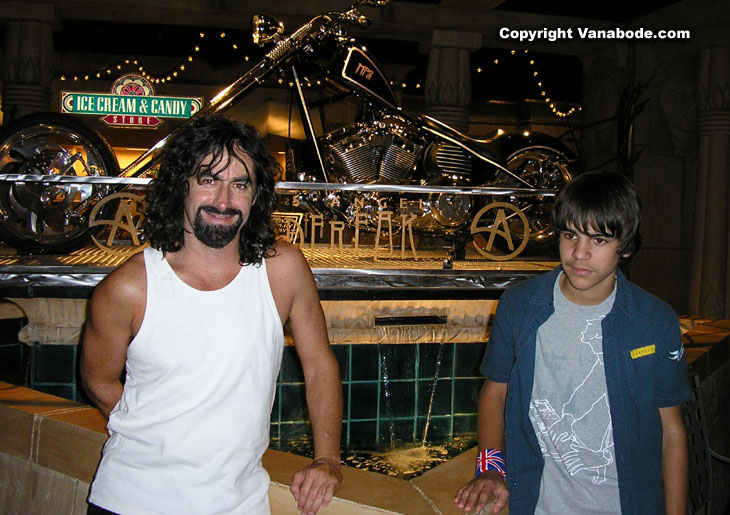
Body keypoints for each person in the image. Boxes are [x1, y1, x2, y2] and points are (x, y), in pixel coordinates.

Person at [80, 115, 343, 515]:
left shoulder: (282, 270)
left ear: (256, 196)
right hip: (131, 501)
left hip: (239, 504)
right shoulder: (130, 288)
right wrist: (159, 437)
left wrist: (328, 459)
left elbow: (320, 364)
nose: (223, 201)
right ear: (181, 185)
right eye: (208, 179)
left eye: (240, 184)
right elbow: (97, 379)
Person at [454, 170, 690, 514]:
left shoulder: (654, 320)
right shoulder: (519, 306)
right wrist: (491, 468)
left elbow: (672, 431)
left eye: (599, 240)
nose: (580, 253)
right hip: (540, 504)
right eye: (571, 235)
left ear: (624, 246)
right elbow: (495, 391)